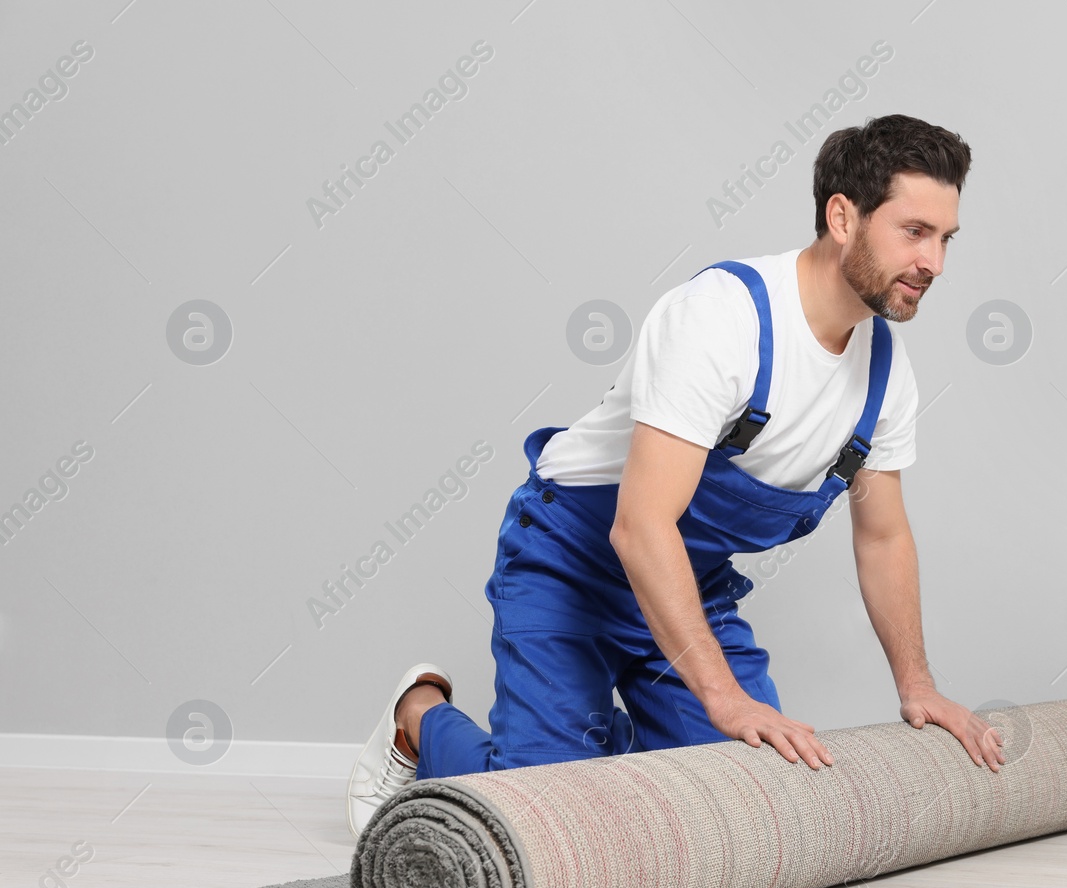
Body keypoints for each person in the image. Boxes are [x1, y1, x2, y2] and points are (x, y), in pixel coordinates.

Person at [347, 114, 1003, 838]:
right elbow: (640, 524)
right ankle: (420, 719)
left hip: (687, 582)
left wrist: (918, 687)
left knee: (751, 802)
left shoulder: (884, 373)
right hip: (570, 562)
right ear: (842, 217)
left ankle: (600, 759)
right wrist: (721, 697)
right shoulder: (723, 320)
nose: (935, 262)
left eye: (946, 239)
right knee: (544, 818)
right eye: (915, 231)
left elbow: (883, 537)